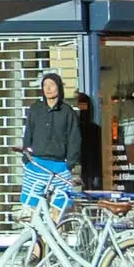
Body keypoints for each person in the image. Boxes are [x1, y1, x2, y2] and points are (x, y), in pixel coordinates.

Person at [20, 70, 82, 200]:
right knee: (31, 206)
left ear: (59, 88)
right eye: (45, 85)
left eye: (52, 85)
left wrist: (69, 164)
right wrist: (27, 160)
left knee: (60, 205)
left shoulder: (67, 112)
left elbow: (74, 139)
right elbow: (28, 135)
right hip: (36, 164)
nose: (48, 88)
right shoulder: (35, 109)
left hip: (59, 165)